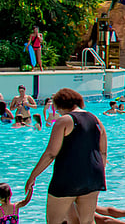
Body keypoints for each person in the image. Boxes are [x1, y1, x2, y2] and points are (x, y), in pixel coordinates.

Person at [25, 88, 108, 224]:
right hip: (94, 177)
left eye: (56, 108)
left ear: (61, 105)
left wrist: (33, 176)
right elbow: (103, 152)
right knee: (87, 221)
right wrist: (96, 172)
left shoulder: (64, 121)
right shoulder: (96, 120)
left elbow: (51, 153)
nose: (56, 111)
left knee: (54, 221)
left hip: (68, 178)